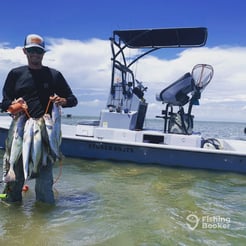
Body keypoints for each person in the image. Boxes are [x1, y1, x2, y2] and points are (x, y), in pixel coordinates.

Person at [1, 34, 78, 204]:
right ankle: (12, 224)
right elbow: (4, 102)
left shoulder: (54, 75)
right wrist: (13, 106)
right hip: (20, 131)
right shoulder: (15, 74)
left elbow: (73, 100)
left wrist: (62, 101)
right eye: (31, 51)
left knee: (44, 185)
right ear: (24, 51)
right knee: (14, 182)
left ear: (43, 53)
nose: (35, 54)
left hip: (45, 133)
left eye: (38, 51)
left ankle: (44, 223)